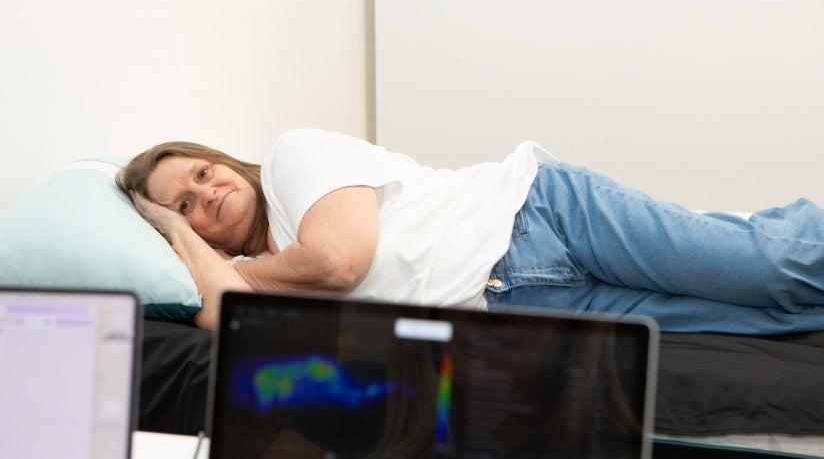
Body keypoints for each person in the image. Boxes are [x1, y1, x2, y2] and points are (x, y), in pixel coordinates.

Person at [116, 128, 824, 334]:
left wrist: (227, 266)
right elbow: (217, 317)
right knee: (754, 318)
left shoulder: (294, 161)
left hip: (544, 218)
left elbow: (339, 260)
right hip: (522, 308)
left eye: (204, 172)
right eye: (187, 203)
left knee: (765, 266)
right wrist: (166, 227)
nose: (209, 192)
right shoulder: (252, 271)